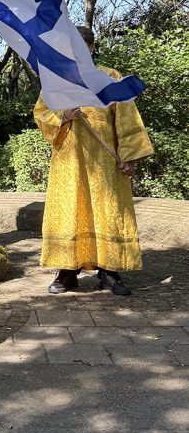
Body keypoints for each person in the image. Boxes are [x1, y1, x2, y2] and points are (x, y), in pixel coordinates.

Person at [34, 27, 154, 296]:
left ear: (92, 47)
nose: (78, 50)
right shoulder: (57, 81)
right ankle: (67, 272)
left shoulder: (110, 77)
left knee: (108, 211)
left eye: (83, 45)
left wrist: (129, 157)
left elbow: (127, 120)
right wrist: (63, 115)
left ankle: (109, 271)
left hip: (106, 162)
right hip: (70, 161)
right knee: (71, 209)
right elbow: (41, 113)